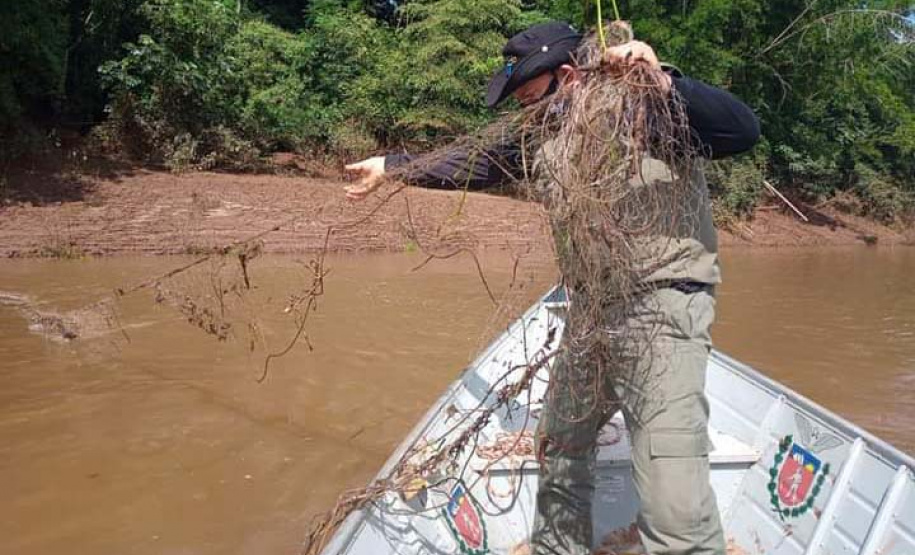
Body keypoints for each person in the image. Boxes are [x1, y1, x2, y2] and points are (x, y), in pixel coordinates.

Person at [345, 21, 759, 555]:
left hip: (662, 311)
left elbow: (741, 131)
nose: (525, 110)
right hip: (590, 315)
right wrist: (394, 166)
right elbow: (474, 162)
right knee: (560, 445)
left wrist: (660, 80)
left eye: (529, 97)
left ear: (566, 76)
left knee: (673, 503)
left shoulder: (642, 104)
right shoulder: (545, 134)